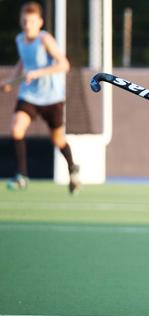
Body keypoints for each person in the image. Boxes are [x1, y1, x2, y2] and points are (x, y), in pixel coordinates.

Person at [1, 1, 79, 194]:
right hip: (29, 95)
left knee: (58, 140)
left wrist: (38, 73)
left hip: (51, 97)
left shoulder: (45, 40)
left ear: (40, 22)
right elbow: (23, 62)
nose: (28, 25)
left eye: (31, 21)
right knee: (17, 128)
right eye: (25, 21)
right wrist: (11, 80)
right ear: (21, 21)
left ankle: (72, 169)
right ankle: (22, 175)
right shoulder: (20, 40)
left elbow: (64, 65)